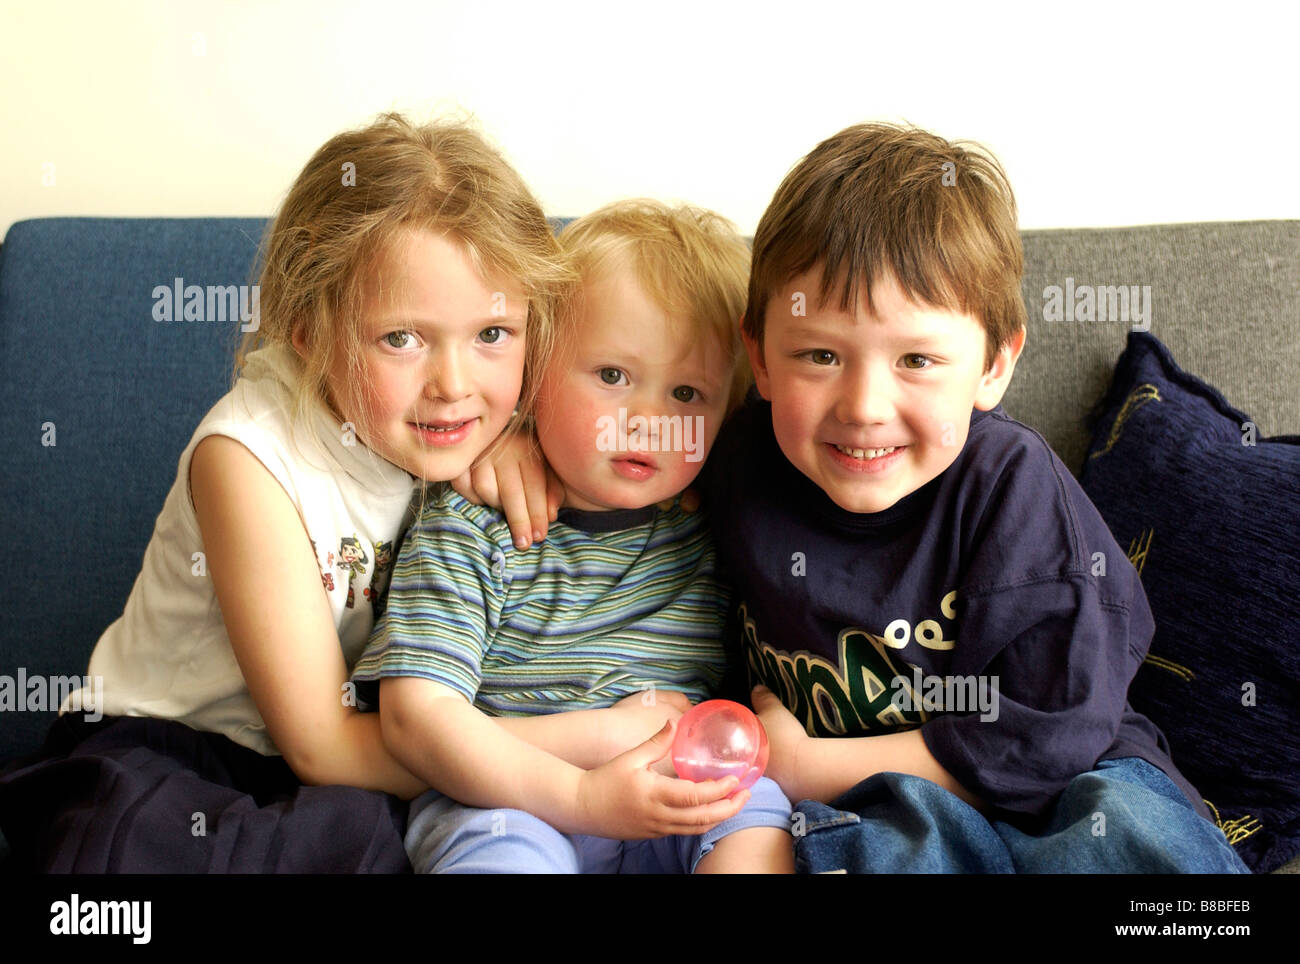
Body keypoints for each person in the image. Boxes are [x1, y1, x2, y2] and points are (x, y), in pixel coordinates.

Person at [0, 113, 574, 872]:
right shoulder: (247, 458)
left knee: (368, 836)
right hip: (174, 750)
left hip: (351, 772)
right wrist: (582, 747)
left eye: (492, 335)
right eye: (400, 338)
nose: (455, 386)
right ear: (306, 325)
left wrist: (529, 441)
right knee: (126, 842)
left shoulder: (479, 430)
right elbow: (322, 745)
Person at [705, 122, 1249, 873]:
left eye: (918, 359)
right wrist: (509, 459)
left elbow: (1045, 740)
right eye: (820, 355)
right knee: (878, 846)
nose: (864, 404)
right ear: (759, 356)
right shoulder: (737, 462)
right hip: (894, 806)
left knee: (1123, 832)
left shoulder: (1012, 490)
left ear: (995, 364)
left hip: (1066, 780)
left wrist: (807, 765)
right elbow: (606, 483)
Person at [351, 200, 794, 873]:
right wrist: (589, 774)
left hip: (682, 790)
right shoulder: (471, 525)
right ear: (534, 377)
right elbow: (417, 718)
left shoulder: (717, 522)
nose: (648, 420)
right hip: (509, 799)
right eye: (612, 376)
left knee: (755, 816)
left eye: (687, 395)